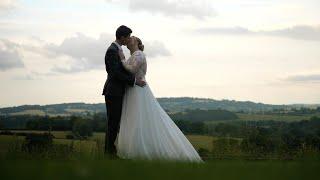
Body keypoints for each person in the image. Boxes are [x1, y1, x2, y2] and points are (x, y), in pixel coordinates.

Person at [115, 36, 204, 163]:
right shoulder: (134, 54)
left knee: (139, 119)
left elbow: (132, 69)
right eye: (129, 38)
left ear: (138, 43)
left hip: (139, 91)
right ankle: (132, 151)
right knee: (132, 120)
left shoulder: (139, 54)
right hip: (132, 90)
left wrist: (122, 59)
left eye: (133, 38)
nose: (129, 39)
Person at [102, 25, 146, 157]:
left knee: (115, 123)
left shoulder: (118, 50)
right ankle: (109, 153)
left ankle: (111, 152)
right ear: (122, 37)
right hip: (114, 91)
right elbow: (115, 73)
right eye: (127, 37)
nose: (128, 39)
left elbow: (123, 69)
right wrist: (134, 81)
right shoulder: (112, 50)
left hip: (118, 91)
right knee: (113, 123)